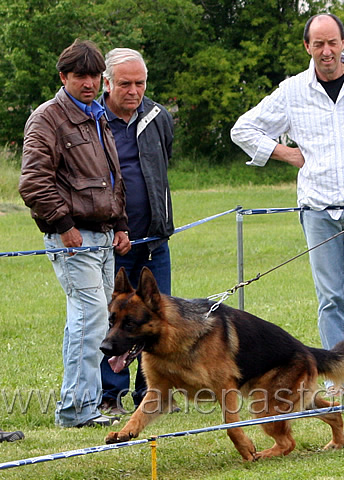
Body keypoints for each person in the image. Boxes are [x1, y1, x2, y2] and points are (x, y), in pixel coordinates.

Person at [231, 13, 344, 398]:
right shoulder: (293, 90)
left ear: (343, 43)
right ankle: (339, 379)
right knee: (329, 297)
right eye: (319, 44)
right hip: (316, 209)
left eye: (332, 43)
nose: (326, 51)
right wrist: (284, 152)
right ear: (307, 47)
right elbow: (243, 128)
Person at [19, 39, 130, 427]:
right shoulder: (47, 118)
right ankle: (77, 411)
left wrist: (120, 224)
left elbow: (113, 178)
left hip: (102, 237)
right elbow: (33, 182)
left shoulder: (98, 114)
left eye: (95, 75)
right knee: (91, 321)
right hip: (73, 239)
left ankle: (76, 405)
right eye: (80, 75)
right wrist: (63, 226)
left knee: (91, 321)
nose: (89, 82)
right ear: (63, 76)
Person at [98, 48, 175, 415]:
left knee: (157, 317)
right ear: (107, 83)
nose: (134, 90)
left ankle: (153, 393)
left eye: (140, 83)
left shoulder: (158, 117)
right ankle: (110, 395)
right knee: (113, 319)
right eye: (125, 83)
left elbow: (163, 164)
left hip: (155, 239)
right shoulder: (93, 122)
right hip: (114, 243)